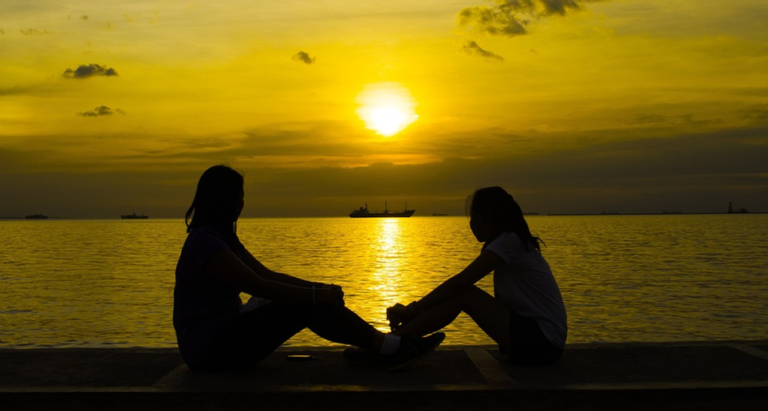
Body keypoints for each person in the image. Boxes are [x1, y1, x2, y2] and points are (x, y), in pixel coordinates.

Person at [173, 164, 443, 371]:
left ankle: (380, 345)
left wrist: (318, 288)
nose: (242, 203)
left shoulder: (223, 239)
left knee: (307, 298)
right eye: (238, 197)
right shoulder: (205, 242)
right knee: (303, 304)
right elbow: (258, 285)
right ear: (224, 200)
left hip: (222, 338)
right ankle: (387, 348)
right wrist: (315, 296)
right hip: (209, 351)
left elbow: (267, 275)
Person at [384, 186, 567, 365]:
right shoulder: (512, 241)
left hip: (543, 343)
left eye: (472, 217)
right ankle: (397, 340)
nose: (471, 223)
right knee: (461, 293)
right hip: (540, 342)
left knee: (465, 294)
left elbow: (460, 283)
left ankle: (393, 343)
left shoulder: (508, 241)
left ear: (481, 219)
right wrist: (414, 312)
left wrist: (412, 310)